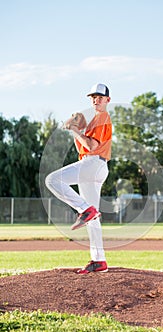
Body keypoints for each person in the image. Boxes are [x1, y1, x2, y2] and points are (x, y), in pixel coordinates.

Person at [45, 83, 112, 274]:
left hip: (93, 164)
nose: (96, 100)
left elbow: (91, 147)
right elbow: (82, 150)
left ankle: (85, 209)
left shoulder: (102, 117)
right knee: (94, 219)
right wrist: (77, 130)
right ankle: (99, 261)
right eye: (93, 97)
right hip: (92, 166)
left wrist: (74, 130)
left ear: (107, 100)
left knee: (52, 180)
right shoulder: (93, 121)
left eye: (100, 97)